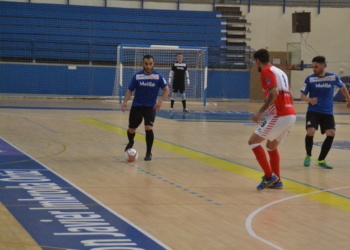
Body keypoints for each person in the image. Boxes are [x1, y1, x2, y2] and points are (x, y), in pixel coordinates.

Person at [248, 49, 296, 191]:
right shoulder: (281, 72)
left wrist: (260, 112)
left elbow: (274, 93)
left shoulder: (266, 71)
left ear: (257, 61)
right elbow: (291, 97)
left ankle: (270, 176)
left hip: (279, 114)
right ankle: (277, 181)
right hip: (290, 114)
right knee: (271, 146)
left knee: (253, 142)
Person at [301, 56, 350, 169]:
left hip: (327, 112)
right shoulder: (309, 79)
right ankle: (308, 155)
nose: (314, 69)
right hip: (313, 111)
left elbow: (343, 88)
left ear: (323, 66)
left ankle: (321, 160)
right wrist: (309, 100)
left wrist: (349, 99)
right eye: (313, 67)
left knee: (331, 133)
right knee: (310, 132)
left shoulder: (333, 77)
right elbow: (302, 96)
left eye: (316, 67)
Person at [122, 55, 170, 161]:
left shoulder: (158, 76)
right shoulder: (137, 76)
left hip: (150, 107)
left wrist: (160, 102)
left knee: (148, 128)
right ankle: (131, 142)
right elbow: (130, 90)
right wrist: (125, 101)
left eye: (150, 64)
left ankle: (148, 153)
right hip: (137, 107)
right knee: (131, 130)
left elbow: (167, 90)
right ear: (143, 64)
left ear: (153, 64)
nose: (148, 66)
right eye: (146, 64)